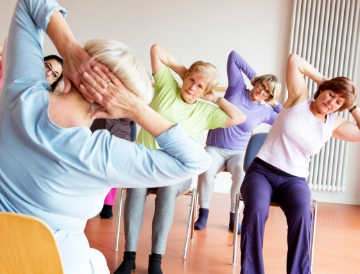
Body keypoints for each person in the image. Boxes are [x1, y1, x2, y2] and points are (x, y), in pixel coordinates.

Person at [0, 0, 212, 273]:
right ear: (110, 109)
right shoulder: (103, 154)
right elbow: (195, 162)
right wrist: (136, 109)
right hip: (49, 265)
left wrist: (68, 48)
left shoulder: (19, 92)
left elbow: (29, 4)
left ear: (71, 70)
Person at [239, 53, 360, 274]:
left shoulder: (333, 124)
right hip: (261, 172)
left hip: (293, 181)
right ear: (322, 90)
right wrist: (322, 79)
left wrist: (352, 105)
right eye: (331, 94)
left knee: (302, 216)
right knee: (256, 211)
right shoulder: (299, 98)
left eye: (338, 102)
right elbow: (294, 60)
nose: (331, 103)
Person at [114, 44, 246, 274]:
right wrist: (186, 72)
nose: (193, 87)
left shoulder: (206, 111)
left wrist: (216, 98)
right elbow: (155, 49)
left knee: (166, 192)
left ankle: (156, 261)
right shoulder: (167, 86)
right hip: (144, 162)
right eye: (192, 80)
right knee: (135, 189)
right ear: (185, 77)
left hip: (176, 170)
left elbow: (239, 117)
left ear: (206, 92)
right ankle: (129, 257)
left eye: (200, 86)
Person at [0, 40, 63, 207]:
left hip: (10, 138)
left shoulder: (43, 96)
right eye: (47, 66)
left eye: (55, 75)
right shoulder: (8, 70)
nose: (49, 73)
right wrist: (25, 60)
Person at [194, 50, 282, 233]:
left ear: (269, 96)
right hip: (215, 148)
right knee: (206, 169)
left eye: (267, 92)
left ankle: (234, 218)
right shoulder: (237, 88)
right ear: (256, 83)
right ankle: (203, 214)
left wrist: (274, 104)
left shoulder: (265, 112)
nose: (261, 91)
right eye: (262, 85)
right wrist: (253, 76)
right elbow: (234, 56)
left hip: (238, 153)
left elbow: (286, 118)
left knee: (241, 175)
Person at [89, 118, 135, 219]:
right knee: (93, 169)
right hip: (99, 131)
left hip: (118, 136)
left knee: (112, 171)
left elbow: (130, 116)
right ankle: (90, 200)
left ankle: (108, 205)